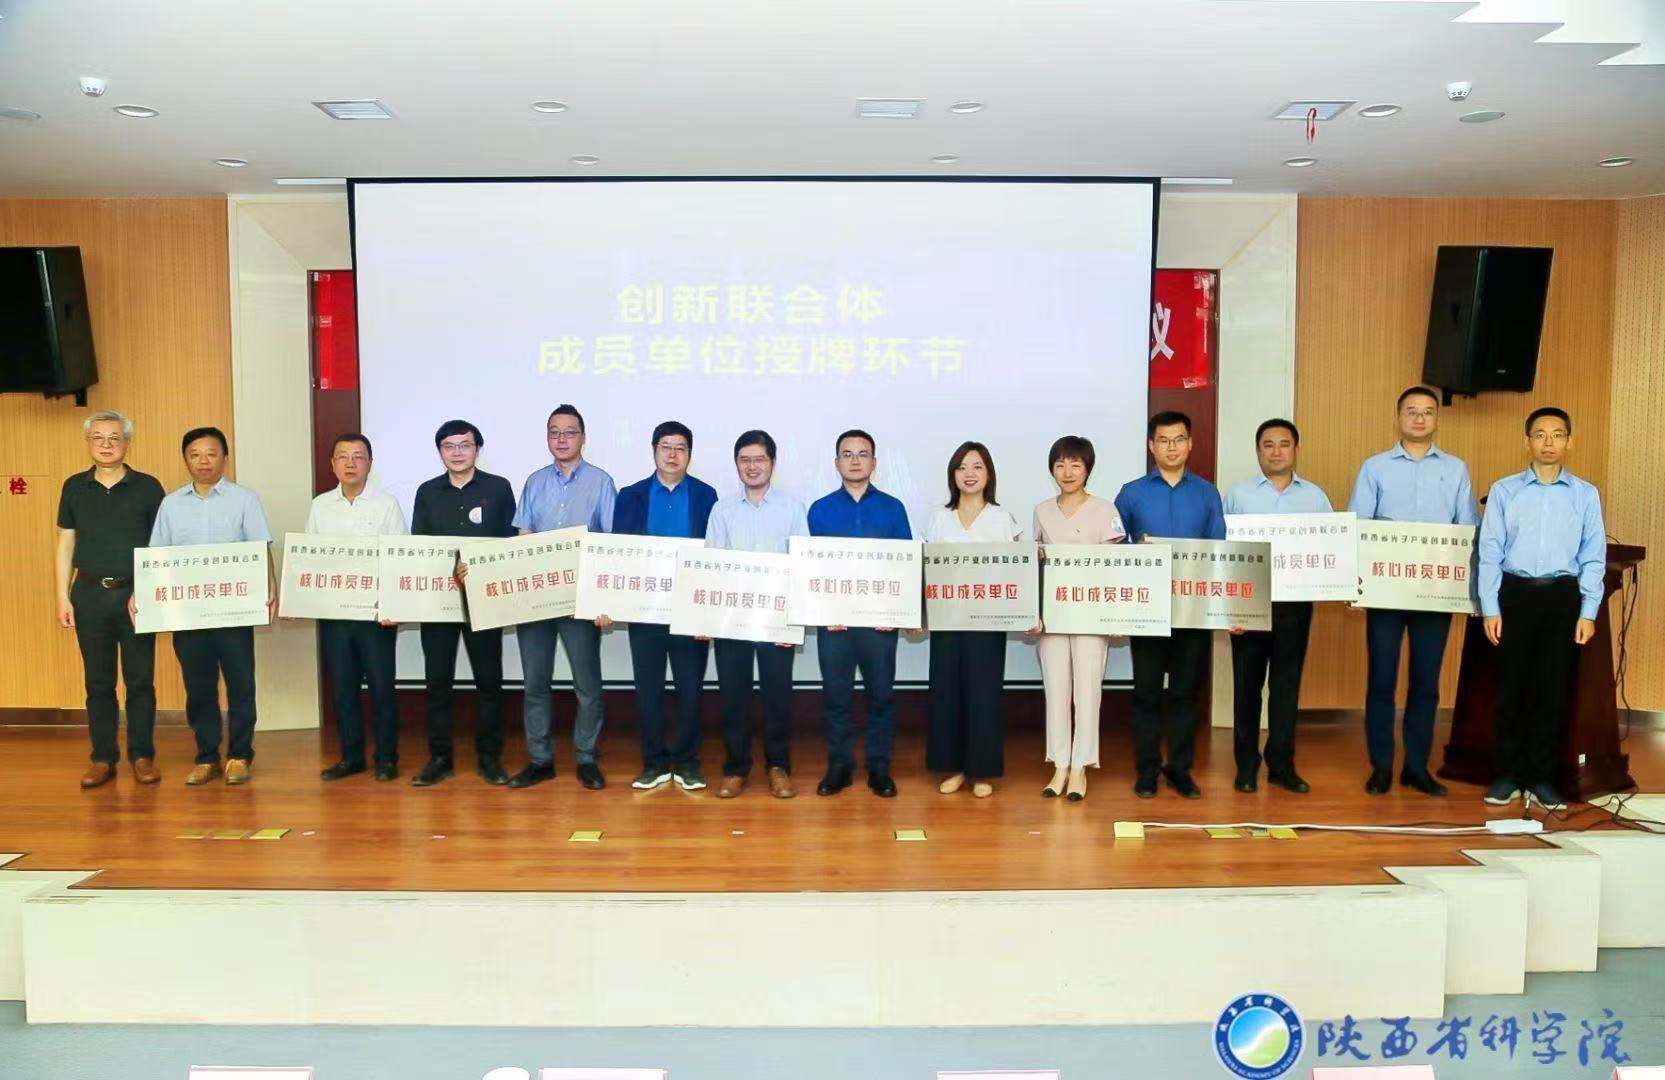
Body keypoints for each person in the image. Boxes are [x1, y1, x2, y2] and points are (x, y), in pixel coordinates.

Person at [1348, 386, 1478, 797]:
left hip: (1435, 591)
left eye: (1427, 412)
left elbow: (1467, 530)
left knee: (1426, 682)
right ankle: (1382, 766)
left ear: (1436, 418)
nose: (1419, 419)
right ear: (1398, 417)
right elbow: (1358, 527)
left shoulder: (1456, 469)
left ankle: (1417, 768)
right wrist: (1356, 583)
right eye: (1411, 411)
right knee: (1381, 679)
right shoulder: (1374, 468)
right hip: (1385, 590)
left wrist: (1469, 591)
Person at [1478, 407, 1605, 812]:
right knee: (1510, 688)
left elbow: (1594, 555)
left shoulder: (1585, 494)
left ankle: (1542, 778)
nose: (1548, 442)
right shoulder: (1504, 491)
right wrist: (1490, 607)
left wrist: (1588, 611)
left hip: (1562, 596)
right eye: (1540, 434)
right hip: (1514, 594)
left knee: (1552, 690)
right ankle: (1508, 775)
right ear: (1527, 441)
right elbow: (1489, 551)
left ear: (1570, 441)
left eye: (1557, 434)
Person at [147, 426, 273, 786]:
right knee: (199, 688)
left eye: (211, 454)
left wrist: (270, 586)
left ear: (224, 458)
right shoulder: (171, 503)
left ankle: (239, 755)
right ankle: (206, 757)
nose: (204, 461)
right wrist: (146, 595)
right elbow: (157, 557)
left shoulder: (244, 499)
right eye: (195, 455)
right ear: (186, 460)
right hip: (188, 614)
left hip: (234, 611)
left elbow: (260, 548)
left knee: (240, 685)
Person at [1114, 410, 1226, 800]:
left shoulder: (1207, 493)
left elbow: (1218, 552)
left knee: (1184, 694)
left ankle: (1180, 770)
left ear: (1190, 444)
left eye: (1179, 439)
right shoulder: (1131, 493)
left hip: (1193, 610)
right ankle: (1146, 771)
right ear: (1151, 445)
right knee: (1146, 693)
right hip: (1147, 609)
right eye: (1163, 440)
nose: (1171, 447)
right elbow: (1115, 551)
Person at [54, 410, 166, 789]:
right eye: (98, 437)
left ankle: (142, 755)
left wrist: (147, 589)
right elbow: (66, 543)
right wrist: (62, 596)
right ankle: (102, 758)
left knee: (140, 681)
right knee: (98, 682)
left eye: (114, 438)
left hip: (137, 597)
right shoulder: (74, 487)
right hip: (87, 595)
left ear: (127, 443)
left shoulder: (148, 487)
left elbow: (160, 546)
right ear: (88, 442)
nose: (106, 444)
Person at [508, 404, 616, 790]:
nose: (561, 439)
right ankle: (540, 760)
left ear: (583, 438)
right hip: (536, 600)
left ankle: (586, 757)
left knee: (587, 685)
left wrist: (604, 601)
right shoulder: (534, 481)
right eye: (554, 432)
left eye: (569, 432)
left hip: (580, 600)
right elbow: (523, 538)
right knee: (535, 684)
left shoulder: (602, 482)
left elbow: (610, 545)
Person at [1222, 418, 1332, 795]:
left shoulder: (1315, 497)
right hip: (1249, 601)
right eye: (1268, 445)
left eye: (1284, 444)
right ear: (1258, 452)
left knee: (1286, 686)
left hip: (1295, 605)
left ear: (1296, 450)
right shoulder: (1238, 496)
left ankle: (1282, 765)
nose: (1276, 452)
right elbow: (1225, 553)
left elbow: (1330, 548)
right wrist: (1229, 606)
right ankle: (1246, 765)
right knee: (1246, 687)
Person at [608, 421, 717, 792]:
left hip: (690, 609)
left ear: (690, 454)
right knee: (648, 689)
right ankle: (653, 762)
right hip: (645, 610)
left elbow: (715, 554)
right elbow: (619, 553)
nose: (673, 454)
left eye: (680, 448)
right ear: (654, 450)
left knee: (690, 688)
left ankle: (687, 762)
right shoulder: (631, 495)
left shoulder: (706, 495)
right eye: (666, 447)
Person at [409, 419, 516, 787]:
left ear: (477, 449)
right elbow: (419, 547)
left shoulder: (498, 488)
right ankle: (440, 758)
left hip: (483, 602)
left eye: (465, 445)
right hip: (438, 602)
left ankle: (489, 758)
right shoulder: (427, 492)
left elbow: (509, 545)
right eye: (449, 446)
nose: (457, 452)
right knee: (438, 682)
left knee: (489, 681)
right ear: (440, 451)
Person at [808, 429, 913, 798]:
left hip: (878, 623)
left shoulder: (893, 508)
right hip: (834, 623)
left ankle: (879, 768)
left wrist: (895, 613)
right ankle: (839, 767)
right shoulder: (819, 510)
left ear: (874, 462)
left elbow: (904, 566)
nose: (855, 460)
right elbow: (810, 569)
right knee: (836, 697)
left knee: (881, 696)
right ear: (836, 462)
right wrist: (823, 610)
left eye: (862, 453)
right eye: (847, 454)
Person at [705, 430, 809, 799]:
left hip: (776, 621)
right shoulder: (722, 509)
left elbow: (802, 565)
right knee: (733, 696)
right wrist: (707, 618)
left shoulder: (792, 508)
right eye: (745, 460)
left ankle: (778, 767)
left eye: (759, 459)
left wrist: (793, 622)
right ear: (737, 465)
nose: (752, 466)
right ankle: (736, 768)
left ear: (772, 463)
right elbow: (712, 565)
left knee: (777, 696)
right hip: (732, 620)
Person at [306, 433, 408, 782]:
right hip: (335, 615)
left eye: (358, 456)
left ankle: (386, 758)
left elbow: (400, 558)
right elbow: (310, 559)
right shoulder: (320, 506)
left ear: (370, 464)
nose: (350, 463)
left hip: (375, 614)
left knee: (381, 689)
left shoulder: (387, 505)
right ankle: (351, 757)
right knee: (343, 689)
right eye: (343, 457)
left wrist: (394, 604)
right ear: (332, 464)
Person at [924, 441, 1023, 799]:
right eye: (962, 467)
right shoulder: (939, 517)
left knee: (984, 695)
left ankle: (981, 771)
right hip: (948, 620)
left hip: (987, 622)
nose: (969, 473)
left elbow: (1017, 571)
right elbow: (926, 568)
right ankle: (955, 768)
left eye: (977, 466)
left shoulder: (1002, 518)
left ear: (988, 474)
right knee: (947, 694)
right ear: (953, 474)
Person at [1033, 435, 1125, 801]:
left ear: (1088, 469)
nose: (1067, 472)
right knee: (1056, 691)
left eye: (1075, 464)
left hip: (1092, 614)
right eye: (1060, 464)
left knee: (1087, 691)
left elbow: (1116, 567)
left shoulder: (1104, 510)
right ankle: (1059, 764)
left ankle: (1080, 766)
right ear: (1052, 469)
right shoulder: (1042, 510)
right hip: (1054, 616)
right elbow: (1034, 568)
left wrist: (1116, 617)